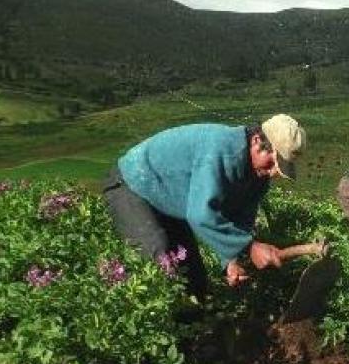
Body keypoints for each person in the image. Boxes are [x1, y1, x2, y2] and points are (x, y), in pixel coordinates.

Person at [103, 114, 306, 297]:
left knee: (194, 282)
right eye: (271, 163)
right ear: (256, 141)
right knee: (159, 263)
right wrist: (249, 247)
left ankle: (194, 333)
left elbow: (241, 218)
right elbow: (201, 215)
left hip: (170, 200)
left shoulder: (258, 176)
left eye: (278, 168)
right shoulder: (221, 151)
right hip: (133, 184)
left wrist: (231, 260)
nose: (271, 173)